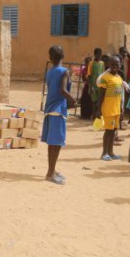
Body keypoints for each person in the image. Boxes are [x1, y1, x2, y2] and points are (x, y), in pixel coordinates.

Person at [41, 45, 76, 185]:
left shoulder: (49, 72)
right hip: (58, 109)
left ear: (50, 58)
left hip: (49, 108)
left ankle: (52, 170)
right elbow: (62, 90)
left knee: (52, 143)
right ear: (63, 56)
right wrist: (73, 100)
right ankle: (50, 173)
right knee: (57, 143)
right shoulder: (64, 71)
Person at [95, 55, 124, 161]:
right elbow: (101, 94)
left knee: (113, 131)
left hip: (116, 110)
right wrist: (98, 110)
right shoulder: (104, 78)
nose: (115, 66)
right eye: (113, 64)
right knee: (108, 131)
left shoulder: (119, 78)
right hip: (108, 109)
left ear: (120, 65)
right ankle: (104, 153)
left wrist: (121, 109)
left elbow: (120, 95)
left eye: (117, 64)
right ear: (108, 65)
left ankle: (111, 152)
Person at [87, 48, 106, 119]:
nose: (100, 56)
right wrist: (90, 86)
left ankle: (99, 114)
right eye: (98, 54)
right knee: (94, 101)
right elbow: (89, 76)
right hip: (93, 85)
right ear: (95, 54)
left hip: (100, 85)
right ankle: (93, 114)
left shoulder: (102, 63)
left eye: (100, 54)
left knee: (100, 101)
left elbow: (103, 74)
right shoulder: (91, 63)